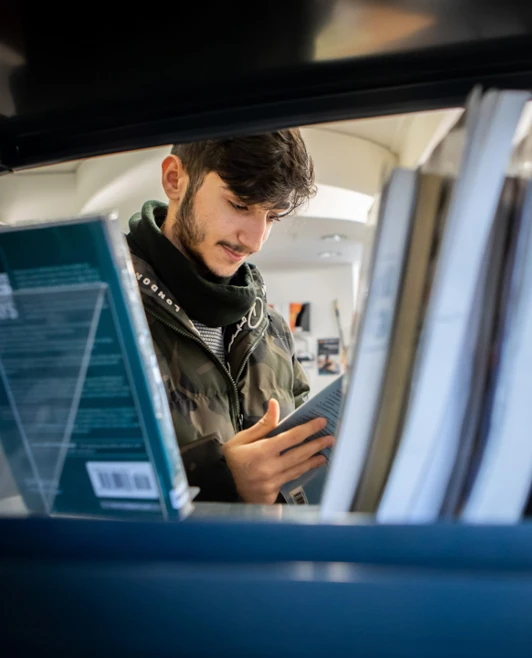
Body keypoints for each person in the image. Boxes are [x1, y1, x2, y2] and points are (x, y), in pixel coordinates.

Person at [127, 130, 333, 503]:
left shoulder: (271, 331)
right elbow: (58, 479)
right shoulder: (107, 309)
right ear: (175, 180)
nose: (255, 240)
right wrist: (219, 481)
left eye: (271, 216)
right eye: (240, 205)